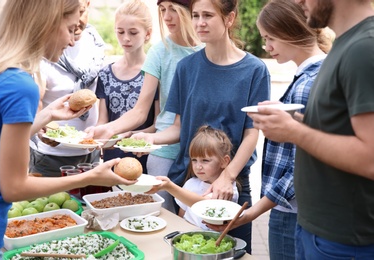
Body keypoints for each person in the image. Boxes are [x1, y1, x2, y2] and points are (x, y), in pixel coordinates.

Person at [0, 0, 135, 258]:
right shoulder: (20, 85)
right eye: (70, 28)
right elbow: (15, 188)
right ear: (48, 23)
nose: (72, 41)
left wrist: (47, 116)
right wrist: (91, 177)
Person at [132, 0, 271, 253]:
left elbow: (252, 133)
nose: (199, 23)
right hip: (191, 179)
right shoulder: (187, 68)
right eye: (196, 15)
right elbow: (178, 128)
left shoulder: (255, 70)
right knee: (187, 251)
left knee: (235, 254)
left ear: (229, 19)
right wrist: (148, 139)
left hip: (233, 185)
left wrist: (227, 178)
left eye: (208, 15)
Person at [248, 0, 374, 258]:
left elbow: (370, 157)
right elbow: (337, 133)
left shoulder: (364, 48)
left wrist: (293, 131)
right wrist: (294, 122)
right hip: (317, 232)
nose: (297, 2)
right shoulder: (346, 44)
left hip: (341, 240)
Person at [206, 1, 331, 259]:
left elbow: (301, 163)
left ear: (290, 30)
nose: (267, 46)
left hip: (291, 211)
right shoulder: (312, 75)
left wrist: (255, 211)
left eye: (270, 37)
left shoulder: (309, 82)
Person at [86, 0, 203, 213]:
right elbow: (141, 110)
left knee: (197, 219)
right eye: (163, 10)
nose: (167, 17)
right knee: (161, 215)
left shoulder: (206, 50)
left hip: (204, 150)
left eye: (174, 10)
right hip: (164, 150)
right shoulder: (159, 52)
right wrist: (109, 129)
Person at [29, 0, 105, 178]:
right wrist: (42, 129)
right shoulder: (48, 47)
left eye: (82, 11)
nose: (78, 21)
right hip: (52, 154)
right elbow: (37, 98)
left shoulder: (95, 43)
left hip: (89, 150)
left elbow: (100, 94)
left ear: (88, 4)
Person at [96, 0, 157, 174]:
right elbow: (103, 120)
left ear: (148, 34)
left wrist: (129, 136)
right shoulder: (106, 73)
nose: (126, 38)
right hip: (112, 155)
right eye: (120, 32)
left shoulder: (153, 73)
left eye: (133, 32)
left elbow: (157, 124)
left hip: (143, 154)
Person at [149, 125, 239, 230]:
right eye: (194, 160)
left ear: (224, 161)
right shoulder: (190, 183)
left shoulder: (227, 189)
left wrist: (169, 187)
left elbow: (204, 205)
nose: (198, 166)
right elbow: (181, 216)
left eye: (205, 160)